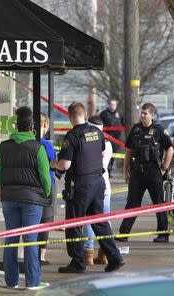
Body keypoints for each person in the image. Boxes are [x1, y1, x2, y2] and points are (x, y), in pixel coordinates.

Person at [50, 102, 124, 274]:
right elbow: (99, 151)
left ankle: (78, 261)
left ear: (70, 116)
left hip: (80, 185)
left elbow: (65, 165)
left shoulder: (72, 136)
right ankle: (114, 257)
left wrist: (53, 163)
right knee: (99, 221)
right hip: (98, 182)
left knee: (74, 223)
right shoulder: (97, 132)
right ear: (84, 114)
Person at [0, 106, 51, 290]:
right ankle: (33, 282)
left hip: (9, 198)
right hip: (32, 200)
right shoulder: (38, 147)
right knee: (30, 240)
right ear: (32, 127)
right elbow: (45, 176)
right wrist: (46, 193)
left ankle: (11, 281)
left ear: (16, 126)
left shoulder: (4, 146)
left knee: (10, 239)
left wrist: (7, 188)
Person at [117, 103, 174, 243]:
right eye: (141, 113)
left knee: (159, 204)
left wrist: (164, 168)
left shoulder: (159, 130)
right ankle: (123, 233)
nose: (142, 115)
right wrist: (125, 172)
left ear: (152, 115)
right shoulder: (135, 129)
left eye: (145, 113)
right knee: (132, 203)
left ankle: (163, 234)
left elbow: (170, 149)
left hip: (154, 171)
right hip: (137, 171)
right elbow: (129, 152)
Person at [82, 115, 112, 265]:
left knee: (89, 220)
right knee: (105, 220)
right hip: (105, 186)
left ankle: (88, 252)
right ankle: (104, 253)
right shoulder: (107, 143)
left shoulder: (91, 142)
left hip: (93, 185)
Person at [37, 113, 56, 265]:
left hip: (30, 187)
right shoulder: (46, 144)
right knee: (46, 220)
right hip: (46, 186)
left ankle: (27, 253)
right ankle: (41, 255)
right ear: (44, 126)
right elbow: (52, 161)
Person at [99, 98, 124, 177]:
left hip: (116, 138)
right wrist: (116, 118)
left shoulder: (119, 113)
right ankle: (106, 170)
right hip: (107, 138)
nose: (113, 106)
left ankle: (110, 170)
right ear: (108, 105)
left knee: (114, 155)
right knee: (106, 154)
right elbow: (109, 123)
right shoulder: (104, 114)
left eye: (114, 104)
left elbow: (122, 124)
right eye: (112, 104)